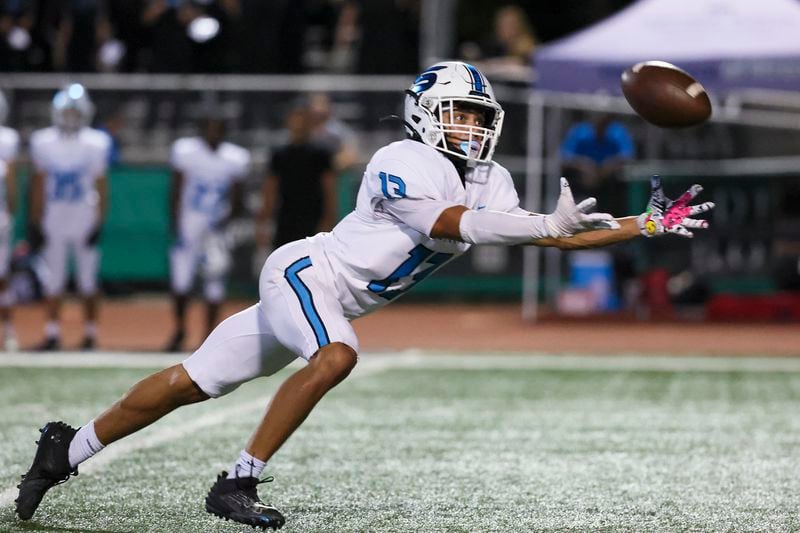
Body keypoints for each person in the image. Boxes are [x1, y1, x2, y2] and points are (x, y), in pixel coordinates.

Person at [15, 62, 714, 530]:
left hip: (326, 295)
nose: (472, 127)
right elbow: (451, 225)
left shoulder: (489, 178)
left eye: (478, 117)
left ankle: (65, 447)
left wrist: (645, 223)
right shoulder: (401, 160)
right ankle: (237, 480)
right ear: (425, 114)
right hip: (305, 274)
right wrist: (544, 224)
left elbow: (553, 236)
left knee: (191, 381)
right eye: (460, 115)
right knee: (337, 355)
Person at [28, 84, 111, 351]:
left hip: (83, 214)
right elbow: (39, 184)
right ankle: (52, 333)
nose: (72, 116)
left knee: (88, 279)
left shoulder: (96, 142)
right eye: (68, 111)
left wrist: (100, 220)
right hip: (55, 216)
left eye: (76, 112)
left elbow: (101, 184)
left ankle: (90, 333)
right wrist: (35, 219)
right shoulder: (43, 141)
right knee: (54, 278)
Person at [164, 110, 249, 352]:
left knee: (215, 281)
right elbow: (177, 187)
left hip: (217, 226)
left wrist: (228, 220)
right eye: (209, 126)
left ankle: (208, 337)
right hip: (189, 222)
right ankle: (180, 330)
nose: (213, 132)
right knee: (181, 279)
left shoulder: (234, 157)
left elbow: (237, 195)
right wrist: (175, 220)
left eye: (217, 127)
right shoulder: (186, 151)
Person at [256, 103, 336, 251]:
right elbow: (270, 192)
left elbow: (329, 191)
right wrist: (263, 224)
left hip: (313, 220)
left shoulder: (321, 154)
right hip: (286, 219)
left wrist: (327, 222)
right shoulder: (279, 155)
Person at [560, 112, 635, 216]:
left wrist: (608, 166)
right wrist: (584, 166)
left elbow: (627, 156)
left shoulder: (617, 132)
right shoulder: (580, 131)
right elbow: (566, 157)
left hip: (608, 180)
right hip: (582, 179)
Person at [0, 90, 20, 350]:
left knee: (2, 277)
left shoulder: (6, 140)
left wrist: (11, 215)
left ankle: (8, 329)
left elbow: (12, 186)